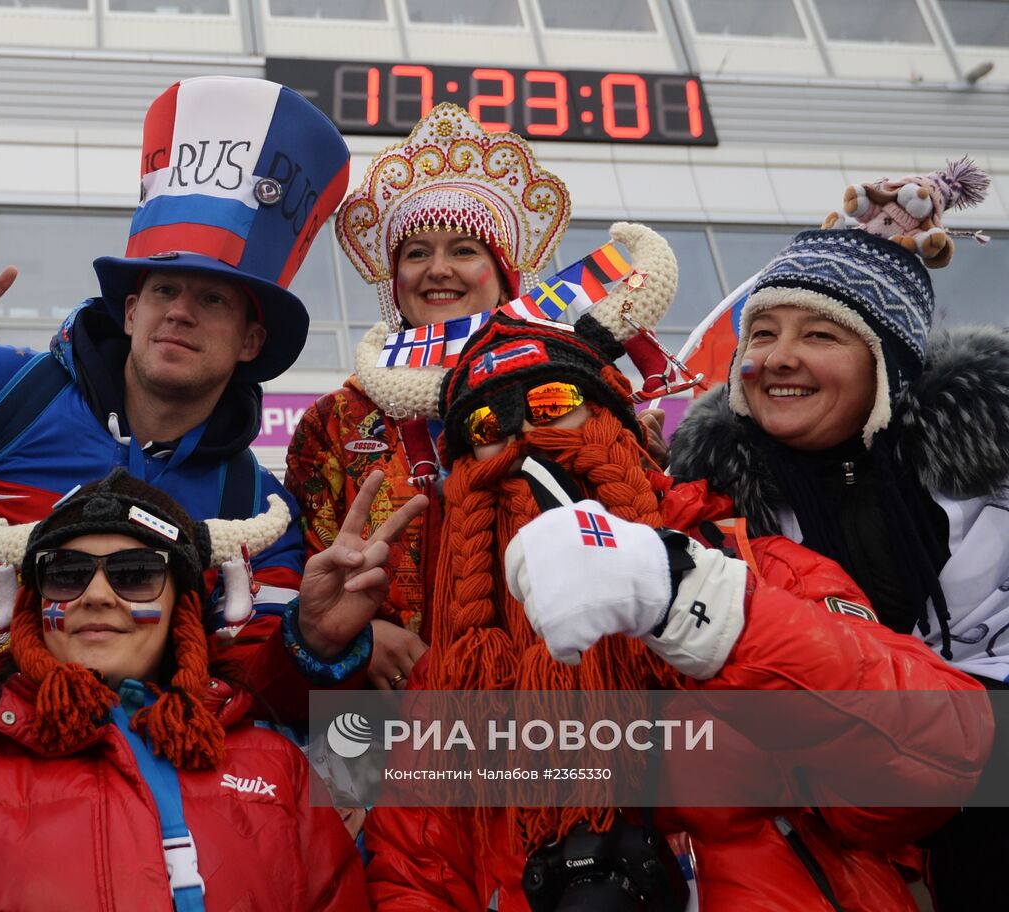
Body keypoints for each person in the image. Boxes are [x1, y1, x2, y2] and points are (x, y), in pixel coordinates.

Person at [358, 231, 991, 910]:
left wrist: (691, 601)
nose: (521, 443)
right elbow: (417, 878)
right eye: (485, 426)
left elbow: (935, 764)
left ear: (617, 427)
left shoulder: (755, 569)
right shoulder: (452, 674)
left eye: (550, 408)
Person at [0, 74, 358, 725]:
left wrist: (322, 644)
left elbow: (259, 699)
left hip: (95, 808)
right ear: (132, 309)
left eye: (213, 299)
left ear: (252, 339)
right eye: (165, 291)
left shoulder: (260, 513)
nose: (181, 313)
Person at [0, 469, 397, 910]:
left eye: (134, 574)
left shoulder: (280, 769)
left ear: (185, 609)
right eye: (66, 573)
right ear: (31, 607)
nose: (97, 596)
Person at [668, 217, 1009, 909]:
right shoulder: (715, 510)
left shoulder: (990, 475)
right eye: (762, 334)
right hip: (833, 823)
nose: (778, 357)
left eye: (819, 334)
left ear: (888, 362)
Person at [286, 103, 574, 690]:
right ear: (396, 283)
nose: (437, 269)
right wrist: (357, 640)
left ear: (503, 277)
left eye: (465, 250)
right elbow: (299, 576)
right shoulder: (337, 420)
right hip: (385, 721)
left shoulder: (568, 394)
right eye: (417, 253)